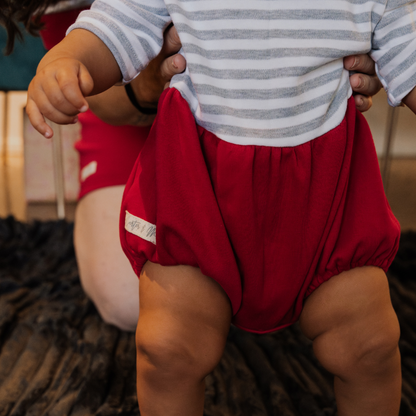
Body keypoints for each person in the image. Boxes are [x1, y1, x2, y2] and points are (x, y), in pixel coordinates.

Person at [25, 0, 413, 415]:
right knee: (167, 348)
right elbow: (120, 20)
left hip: (326, 201)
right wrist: (69, 58)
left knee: (368, 347)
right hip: (199, 192)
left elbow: (405, 36)